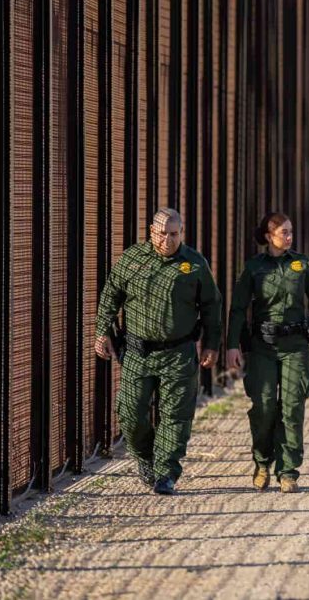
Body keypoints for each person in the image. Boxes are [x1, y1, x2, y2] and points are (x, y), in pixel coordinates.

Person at [94, 208, 222, 495]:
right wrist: (102, 331)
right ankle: (145, 457)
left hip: (179, 352)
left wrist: (212, 344)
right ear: (152, 231)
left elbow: (212, 306)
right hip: (139, 352)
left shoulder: (194, 263)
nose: (168, 240)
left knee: (175, 414)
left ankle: (166, 473)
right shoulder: (132, 260)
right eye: (163, 233)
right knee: (130, 413)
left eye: (174, 234)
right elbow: (110, 295)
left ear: (182, 233)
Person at [225, 213, 309, 493]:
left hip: (295, 346)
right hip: (263, 347)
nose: (289, 236)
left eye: (291, 232)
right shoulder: (254, 268)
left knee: (293, 407)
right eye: (283, 232)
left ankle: (288, 471)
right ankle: (262, 463)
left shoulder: (302, 264)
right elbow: (238, 309)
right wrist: (232, 344)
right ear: (269, 236)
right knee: (264, 406)